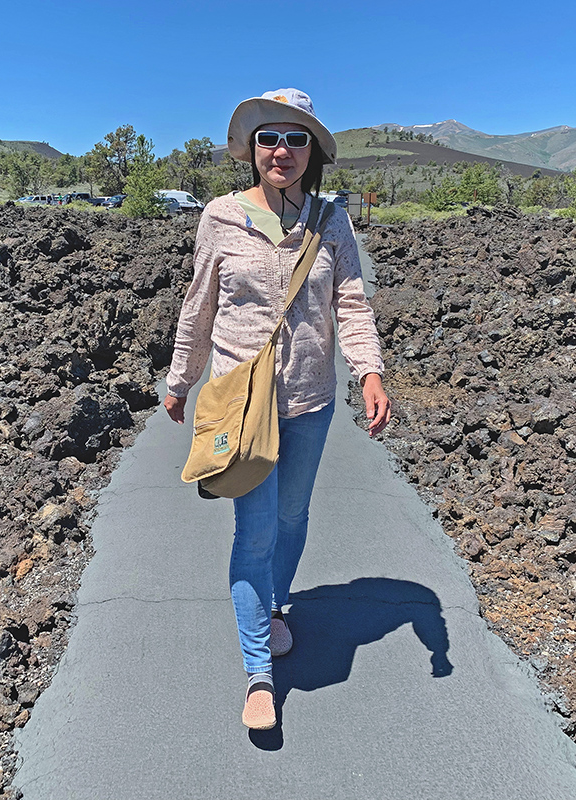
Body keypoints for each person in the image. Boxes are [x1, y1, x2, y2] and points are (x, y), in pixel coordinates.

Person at [163, 89, 391, 731]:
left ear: (311, 150)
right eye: (269, 138)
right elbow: (199, 304)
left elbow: (351, 303)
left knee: (292, 517)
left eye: (295, 138)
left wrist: (370, 372)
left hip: (311, 398)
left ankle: (278, 607)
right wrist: (181, 381)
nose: (281, 150)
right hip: (242, 403)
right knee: (255, 530)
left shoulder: (332, 219)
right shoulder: (220, 217)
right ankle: (259, 675)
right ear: (252, 149)